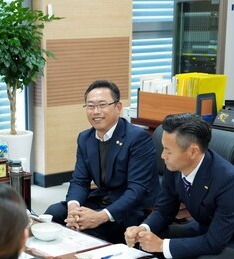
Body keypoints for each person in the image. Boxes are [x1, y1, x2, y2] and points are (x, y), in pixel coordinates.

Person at [125, 113, 234, 259]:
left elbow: (215, 243)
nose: (162, 156)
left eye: (168, 150)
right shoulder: (173, 167)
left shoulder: (230, 180)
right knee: (152, 235)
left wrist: (161, 245)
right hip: (207, 229)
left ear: (193, 151)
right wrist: (144, 229)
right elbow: (164, 210)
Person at [45, 80, 159, 244]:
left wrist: (101, 216)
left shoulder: (137, 138)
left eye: (102, 105)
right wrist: (73, 208)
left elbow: (137, 190)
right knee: (55, 213)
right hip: (102, 199)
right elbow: (80, 180)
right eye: (90, 106)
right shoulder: (85, 138)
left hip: (130, 208)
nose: (96, 111)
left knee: (89, 231)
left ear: (118, 107)